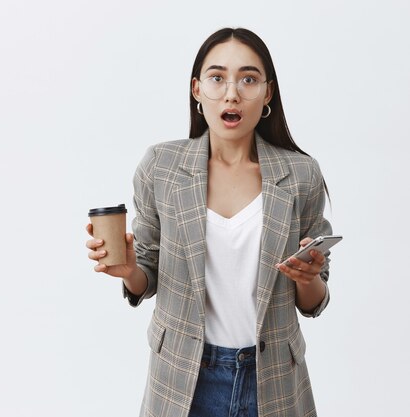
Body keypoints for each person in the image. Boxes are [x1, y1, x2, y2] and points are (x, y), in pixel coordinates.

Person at [86, 27, 334, 417]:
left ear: (267, 92)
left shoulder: (301, 174)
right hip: (183, 379)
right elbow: (146, 277)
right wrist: (129, 270)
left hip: (274, 382)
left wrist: (309, 278)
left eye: (248, 79)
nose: (232, 92)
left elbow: (314, 302)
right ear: (197, 89)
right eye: (217, 78)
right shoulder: (161, 167)